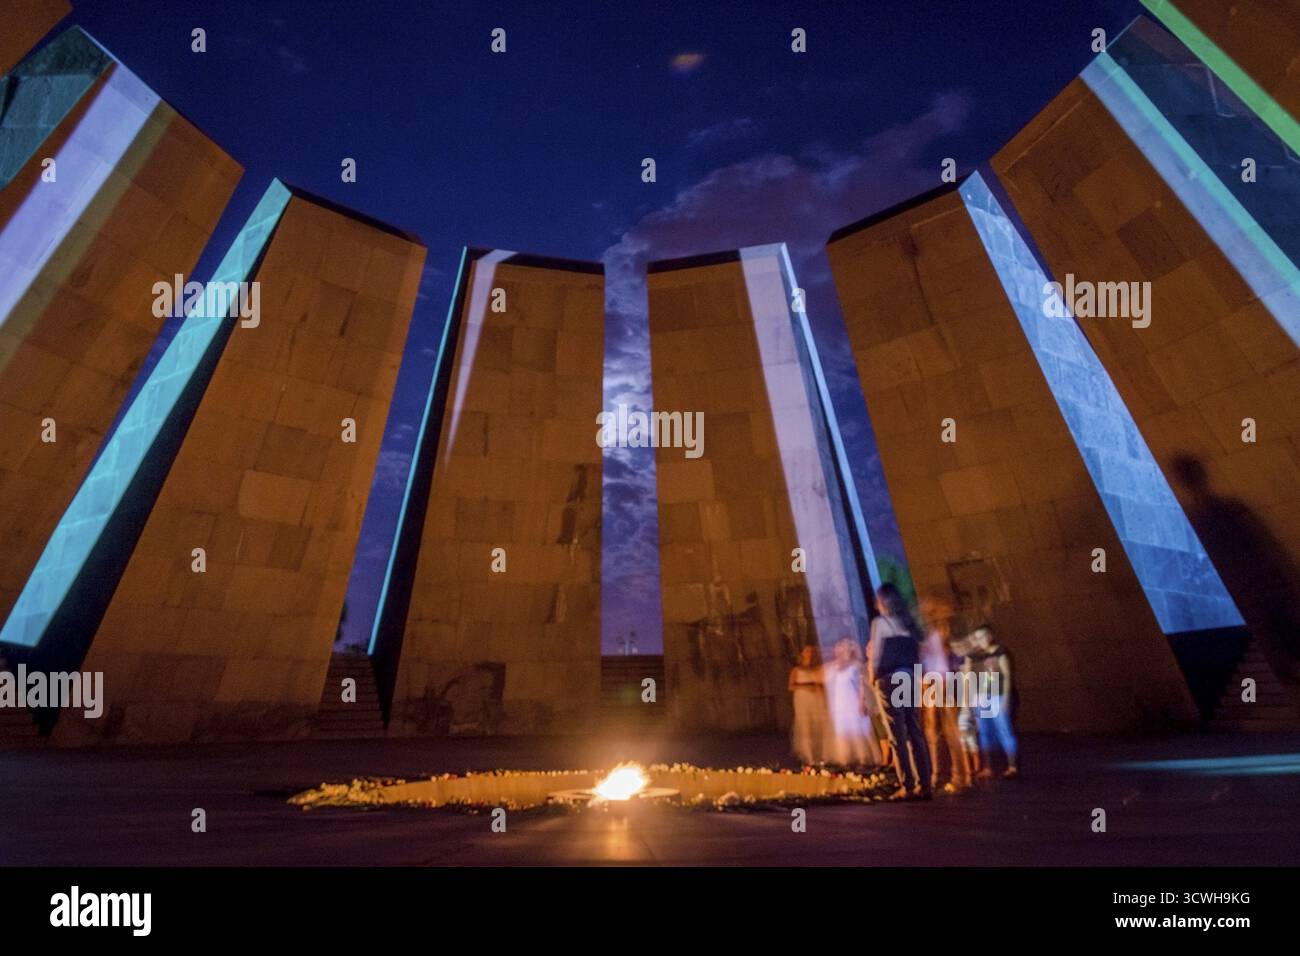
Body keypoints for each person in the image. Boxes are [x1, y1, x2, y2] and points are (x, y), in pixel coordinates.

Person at [866, 584, 933, 800]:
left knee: (897, 734)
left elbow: (875, 656)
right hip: (909, 677)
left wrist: (873, 678)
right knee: (915, 730)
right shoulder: (909, 624)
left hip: (889, 679)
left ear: (883, 602)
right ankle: (926, 784)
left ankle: (908, 785)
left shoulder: (880, 623)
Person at [919, 596, 972, 793]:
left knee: (951, 731)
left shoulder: (946, 630)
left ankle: (961, 776)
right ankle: (937, 775)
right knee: (932, 731)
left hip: (945, 681)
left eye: (927, 609)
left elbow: (955, 652)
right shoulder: (927, 634)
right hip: (929, 683)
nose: (924, 613)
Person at [968, 625, 1019, 779]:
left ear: (990, 636)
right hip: (981, 698)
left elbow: (1007, 675)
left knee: (1004, 730)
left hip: (998, 696)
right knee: (984, 733)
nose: (980, 640)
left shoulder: (1000, 652)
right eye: (977, 637)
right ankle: (988, 767)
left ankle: (1012, 766)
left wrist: (1006, 698)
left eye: (983, 636)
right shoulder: (975, 656)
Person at [823, 637, 883, 767]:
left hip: (853, 701)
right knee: (842, 731)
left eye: (843, 648)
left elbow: (862, 685)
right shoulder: (833, 667)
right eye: (838, 647)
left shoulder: (856, 666)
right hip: (839, 703)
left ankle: (863, 758)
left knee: (857, 729)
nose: (839, 650)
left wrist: (862, 702)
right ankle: (845, 758)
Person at [788, 645, 827, 766]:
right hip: (802, 700)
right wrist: (806, 686)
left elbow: (823, 685)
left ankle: (819, 755)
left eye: (812, 651)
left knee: (818, 726)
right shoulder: (796, 670)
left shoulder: (817, 669)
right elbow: (791, 686)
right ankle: (808, 756)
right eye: (807, 651)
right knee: (805, 726)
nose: (809, 653)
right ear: (803, 654)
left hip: (816, 700)